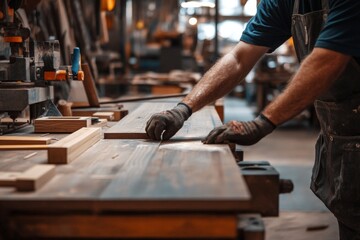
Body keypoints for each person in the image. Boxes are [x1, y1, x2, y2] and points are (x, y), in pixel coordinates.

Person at [145, 0, 360, 238]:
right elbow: (239, 57)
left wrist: (262, 123)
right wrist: (184, 108)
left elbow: (327, 61)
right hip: (341, 139)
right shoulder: (285, 2)